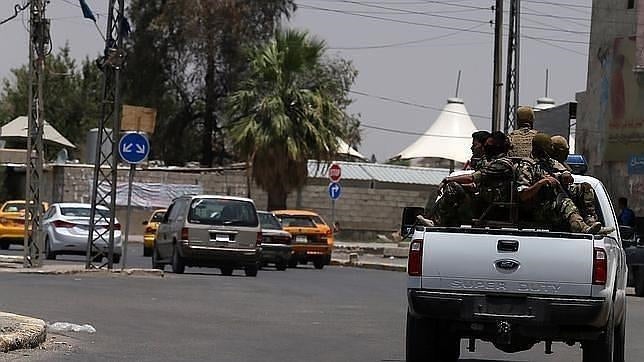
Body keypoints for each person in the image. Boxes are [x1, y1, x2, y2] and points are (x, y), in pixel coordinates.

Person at [419, 131, 514, 226]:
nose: (485, 149)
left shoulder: (502, 164)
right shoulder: (494, 162)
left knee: (453, 187)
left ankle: (436, 221)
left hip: (491, 208)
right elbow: (476, 184)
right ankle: (433, 218)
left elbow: (472, 178)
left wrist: (447, 179)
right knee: (453, 190)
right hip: (484, 202)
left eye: (488, 146)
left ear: (497, 147)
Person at [516, 133, 602, 234]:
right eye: (548, 148)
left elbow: (562, 170)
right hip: (538, 208)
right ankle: (579, 226)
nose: (551, 150)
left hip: (553, 204)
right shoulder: (526, 166)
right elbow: (523, 195)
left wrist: (565, 176)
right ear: (540, 149)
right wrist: (541, 183)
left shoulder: (549, 161)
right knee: (564, 201)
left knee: (585, 187)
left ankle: (590, 221)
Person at [549, 135, 600, 225]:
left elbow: (569, 180)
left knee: (586, 187)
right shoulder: (547, 163)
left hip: (565, 194)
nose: (566, 154)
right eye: (563, 151)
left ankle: (590, 219)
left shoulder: (563, 164)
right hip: (553, 199)